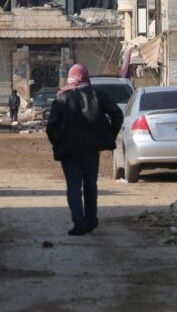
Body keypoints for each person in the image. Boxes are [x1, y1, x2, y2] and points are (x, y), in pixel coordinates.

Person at [45, 64, 123, 236]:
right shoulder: (98, 95)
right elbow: (117, 114)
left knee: (73, 186)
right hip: (91, 150)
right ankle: (91, 219)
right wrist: (108, 135)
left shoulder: (61, 98)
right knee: (90, 185)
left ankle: (78, 223)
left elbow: (51, 126)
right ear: (86, 77)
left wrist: (57, 143)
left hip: (69, 151)